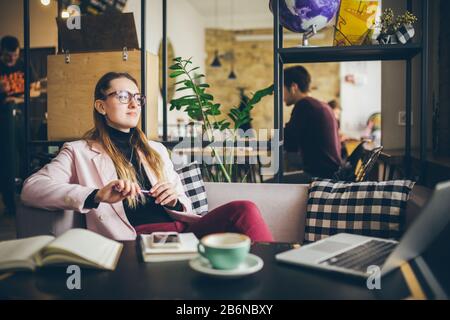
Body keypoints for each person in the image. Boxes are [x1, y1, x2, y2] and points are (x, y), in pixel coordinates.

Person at [20, 72, 273, 242]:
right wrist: (95, 195)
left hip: (182, 231)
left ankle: (276, 283)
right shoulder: (78, 151)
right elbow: (31, 189)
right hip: (137, 239)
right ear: (101, 106)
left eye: (137, 97)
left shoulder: (157, 150)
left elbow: (186, 205)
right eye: (122, 97)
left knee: (245, 210)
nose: (133, 104)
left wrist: (173, 201)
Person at [283, 66, 342, 182]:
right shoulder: (320, 105)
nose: (280, 95)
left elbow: (289, 144)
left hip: (321, 178)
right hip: (332, 173)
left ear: (294, 87)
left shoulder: (304, 106)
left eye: (282, 89)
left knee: (267, 185)